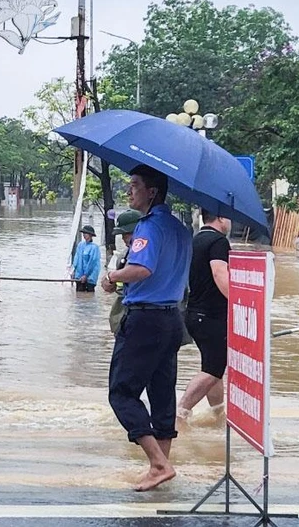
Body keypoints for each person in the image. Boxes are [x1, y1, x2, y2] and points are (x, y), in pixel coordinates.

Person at [101, 164, 191, 491]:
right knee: (162, 393)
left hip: (144, 319)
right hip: (171, 319)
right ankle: (161, 467)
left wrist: (112, 276)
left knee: (122, 393)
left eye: (135, 185)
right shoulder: (181, 229)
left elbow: (141, 269)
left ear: (152, 192)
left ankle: (158, 463)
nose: (129, 191)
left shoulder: (149, 227)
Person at [177, 209, 233, 424]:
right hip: (211, 316)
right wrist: (238, 302)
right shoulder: (218, 242)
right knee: (213, 369)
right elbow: (219, 273)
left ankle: (217, 415)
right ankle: (180, 413)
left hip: (194, 313)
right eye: (228, 217)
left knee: (213, 366)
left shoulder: (196, 240)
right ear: (220, 218)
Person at [108, 210, 143, 334]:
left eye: (127, 234)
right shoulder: (123, 256)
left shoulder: (151, 254)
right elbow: (114, 286)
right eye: (122, 235)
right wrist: (110, 281)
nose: (123, 238)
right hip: (125, 313)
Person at [72, 225, 101, 292]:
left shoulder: (94, 248)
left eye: (86, 233)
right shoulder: (80, 245)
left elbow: (92, 263)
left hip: (90, 277)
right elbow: (76, 259)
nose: (84, 235)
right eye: (83, 233)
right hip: (79, 276)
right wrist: (73, 270)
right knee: (79, 294)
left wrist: (86, 275)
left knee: (89, 294)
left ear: (91, 235)